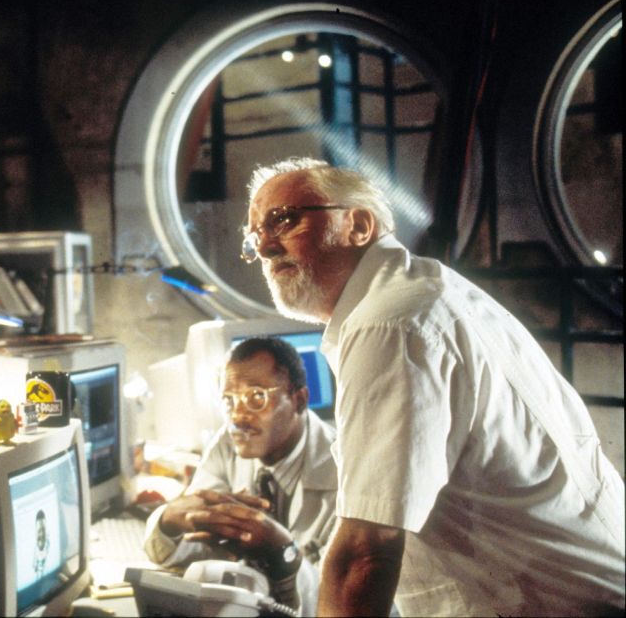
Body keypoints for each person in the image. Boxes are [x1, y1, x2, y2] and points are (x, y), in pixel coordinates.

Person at [243, 156, 626, 616]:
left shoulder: (389, 323)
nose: (265, 248)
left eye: (283, 220)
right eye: (255, 235)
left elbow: (368, 550)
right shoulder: (422, 291)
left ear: (359, 226)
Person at [143, 337, 338, 615]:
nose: (237, 417)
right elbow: (199, 546)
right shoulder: (229, 442)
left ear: (299, 400)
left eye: (257, 398)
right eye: (229, 400)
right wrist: (169, 520)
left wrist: (282, 554)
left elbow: (343, 601)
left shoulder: (344, 472)